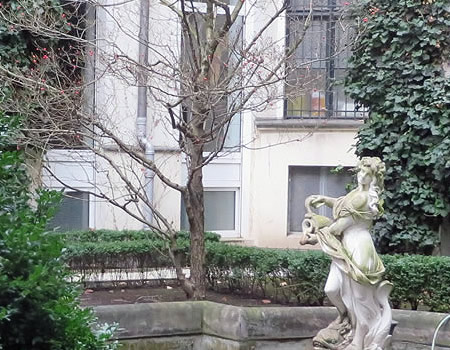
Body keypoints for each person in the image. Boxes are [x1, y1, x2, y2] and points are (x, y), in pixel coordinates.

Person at [300, 157, 392, 350]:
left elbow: (338, 227)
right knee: (331, 289)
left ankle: (359, 342)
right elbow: (343, 205)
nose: (362, 176)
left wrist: (315, 233)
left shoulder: (363, 198)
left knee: (360, 301)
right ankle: (345, 320)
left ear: (374, 178)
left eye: (368, 174)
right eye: (360, 171)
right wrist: (326, 200)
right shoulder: (356, 193)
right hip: (344, 249)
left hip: (359, 248)